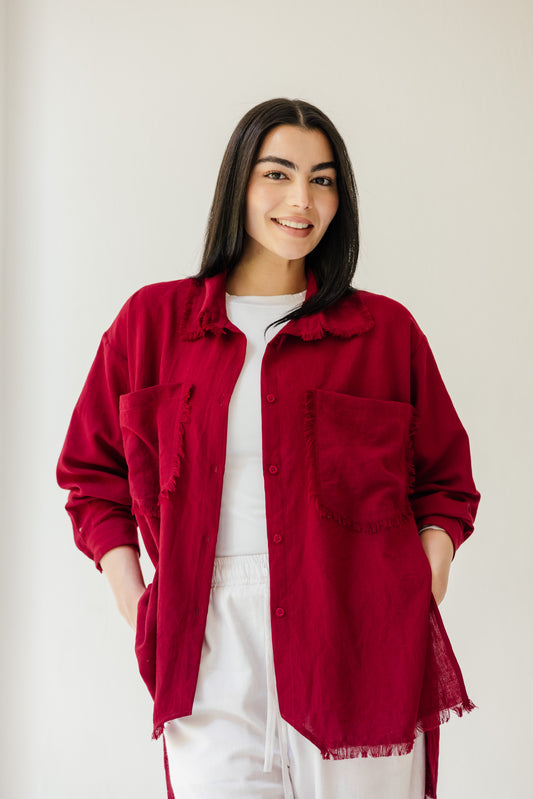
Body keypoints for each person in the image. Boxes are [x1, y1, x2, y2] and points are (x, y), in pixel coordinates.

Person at [57, 98, 480, 799]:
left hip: (359, 635)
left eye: (322, 179)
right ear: (238, 186)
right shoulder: (151, 325)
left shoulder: (383, 332)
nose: (300, 199)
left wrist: (420, 582)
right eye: (277, 173)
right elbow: (91, 473)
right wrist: (138, 602)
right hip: (207, 644)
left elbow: (445, 482)